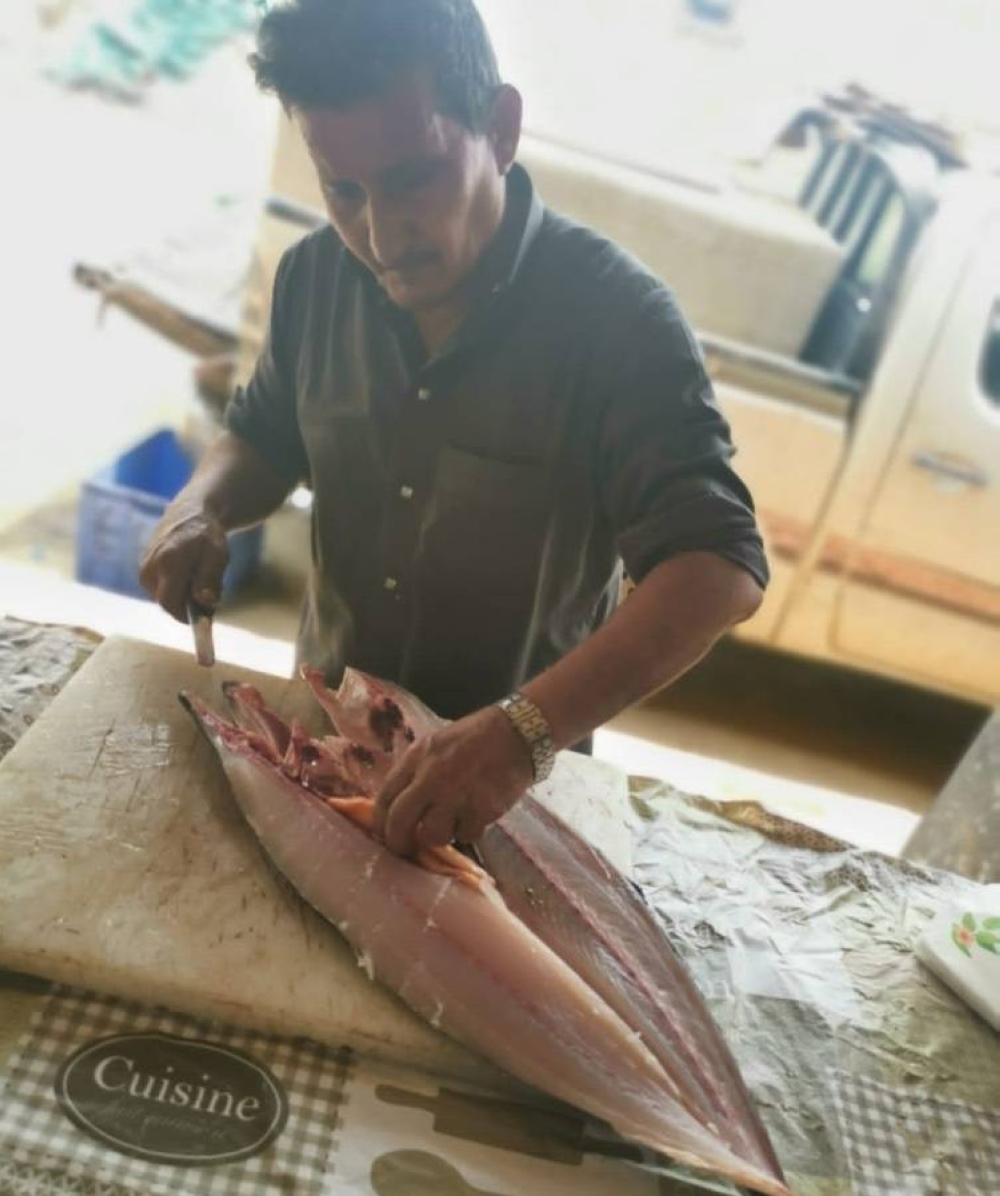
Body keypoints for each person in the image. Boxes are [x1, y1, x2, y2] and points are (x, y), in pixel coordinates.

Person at [139, 0, 767, 859]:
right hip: (327, 753)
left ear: (501, 129)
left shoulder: (619, 324)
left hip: (511, 803)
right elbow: (264, 431)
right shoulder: (315, 278)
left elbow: (718, 568)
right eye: (343, 189)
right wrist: (200, 505)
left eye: (413, 179)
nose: (379, 234)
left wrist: (519, 735)